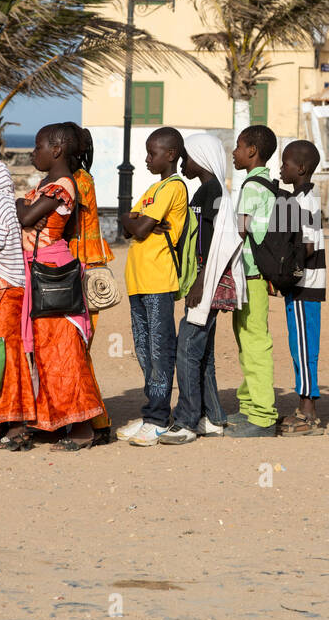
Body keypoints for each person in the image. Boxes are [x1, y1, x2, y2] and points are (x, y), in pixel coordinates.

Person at [14, 122, 105, 449]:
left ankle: (82, 428)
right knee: (44, 353)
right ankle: (50, 422)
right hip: (41, 269)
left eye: (38, 147)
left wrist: (25, 208)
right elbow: (24, 210)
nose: (33, 153)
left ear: (56, 150)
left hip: (53, 273)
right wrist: (25, 208)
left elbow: (24, 216)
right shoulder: (48, 184)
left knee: (65, 352)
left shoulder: (63, 185)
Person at [164, 132, 241, 444]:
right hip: (199, 279)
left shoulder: (214, 193)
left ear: (202, 158)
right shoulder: (202, 193)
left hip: (206, 280)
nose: (183, 163)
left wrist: (199, 280)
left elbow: (217, 242)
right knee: (202, 352)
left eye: (187, 157)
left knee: (186, 348)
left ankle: (186, 420)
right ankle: (213, 417)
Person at [116, 127, 187, 446]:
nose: (146, 159)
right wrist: (133, 220)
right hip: (138, 280)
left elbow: (139, 227)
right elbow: (126, 219)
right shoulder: (153, 188)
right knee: (144, 350)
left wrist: (137, 221)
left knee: (159, 349)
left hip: (158, 279)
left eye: (152, 153)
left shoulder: (173, 187)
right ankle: (151, 412)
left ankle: (158, 417)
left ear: (170, 155)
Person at [0, 129, 36, 450]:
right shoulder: (5, 203)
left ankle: (13, 427)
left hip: (2, 288)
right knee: (9, 354)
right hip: (8, 288)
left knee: (3, 357)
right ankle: (10, 423)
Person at [224, 124, 280, 439]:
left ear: (252, 151)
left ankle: (262, 415)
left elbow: (241, 231)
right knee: (247, 339)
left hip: (251, 274)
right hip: (255, 274)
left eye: (238, 146)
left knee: (255, 342)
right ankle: (248, 406)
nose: (234, 152)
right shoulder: (267, 183)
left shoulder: (251, 187)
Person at [66, 125, 114, 445]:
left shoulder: (78, 183)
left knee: (77, 349)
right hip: (84, 268)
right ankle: (92, 418)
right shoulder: (84, 179)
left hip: (81, 273)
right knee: (77, 349)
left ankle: (95, 420)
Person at [278, 139, 327, 436]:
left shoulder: (300, 201)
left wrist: (282, 270)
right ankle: (303, 407)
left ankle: (308, 413)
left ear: (302, 168)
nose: (280, 168)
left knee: (304, 347)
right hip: (305, 284)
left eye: (285, 164)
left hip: (304, 284)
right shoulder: (303, 196)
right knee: (302, 344)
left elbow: (306, 245)